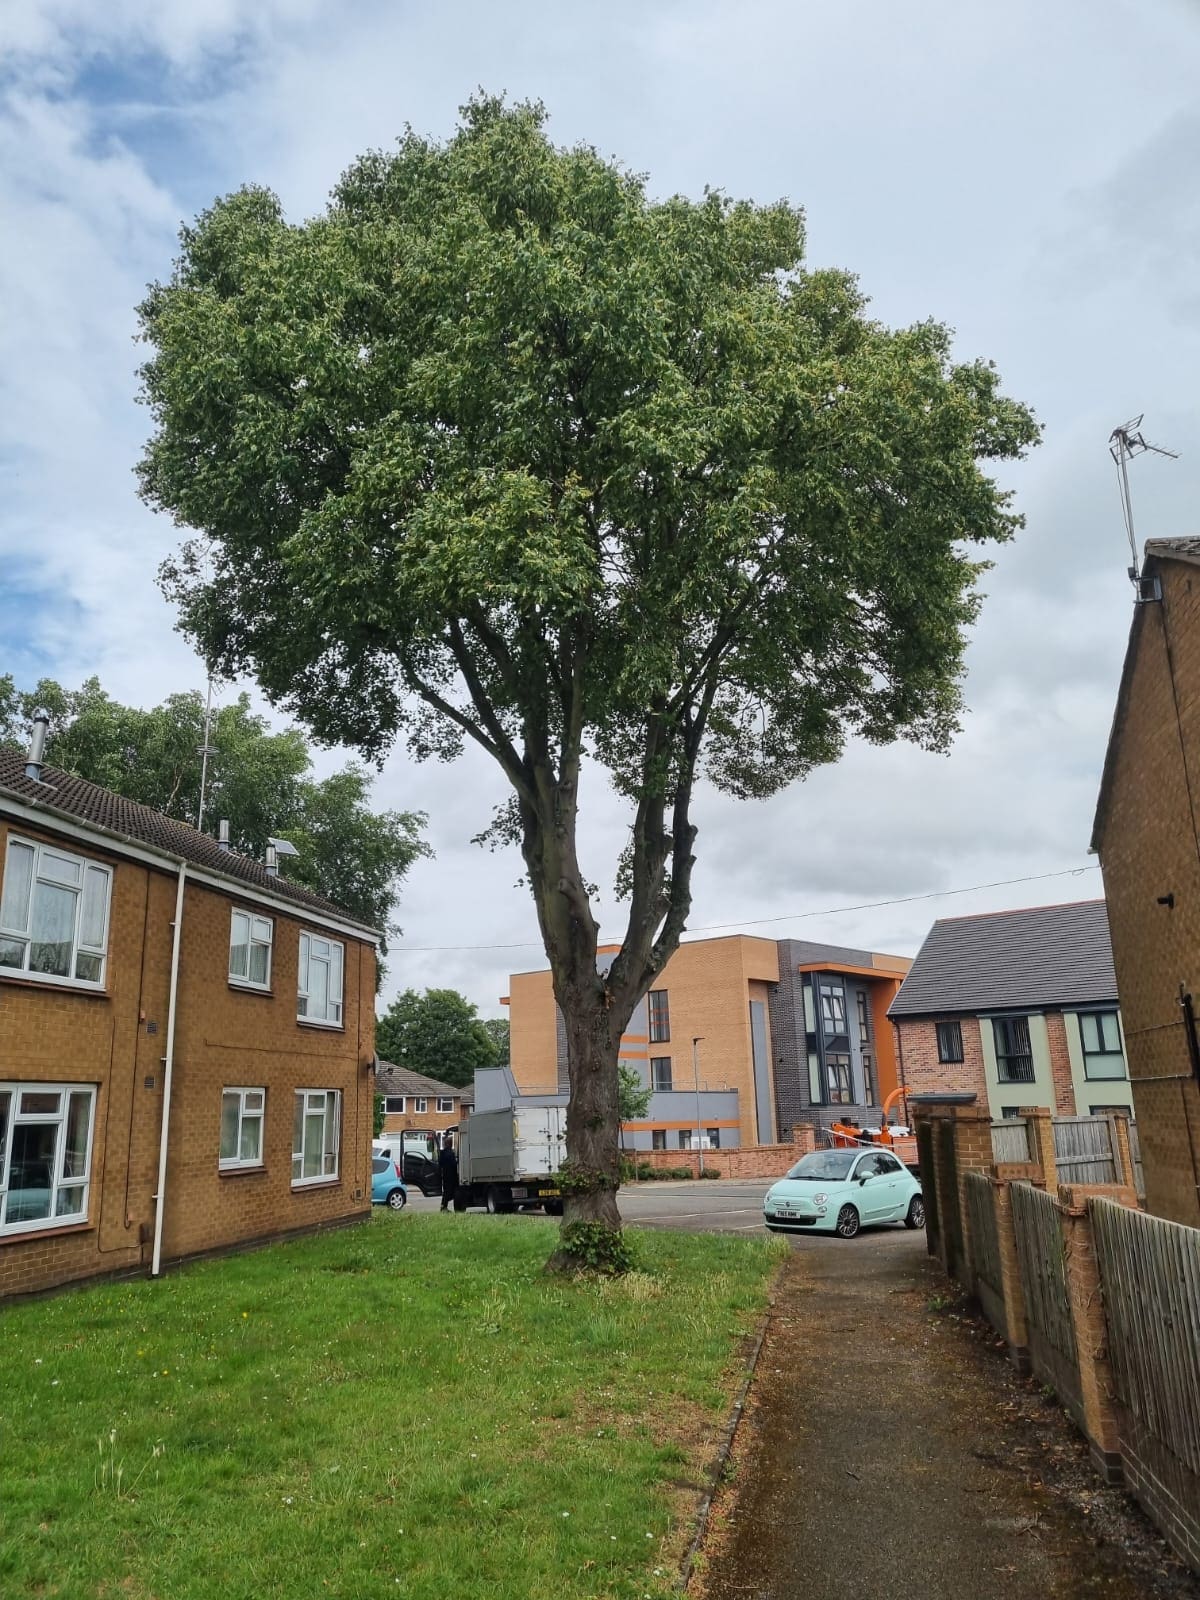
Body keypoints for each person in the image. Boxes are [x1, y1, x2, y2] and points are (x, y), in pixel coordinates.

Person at [438, 1133, 459, 1212]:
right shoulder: (451, 1153)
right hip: (451, 1176)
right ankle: (444, 1207)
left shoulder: (442, 1153)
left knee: (446, 1192)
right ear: (450, 1144)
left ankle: (443, 1206)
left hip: (445, 1176)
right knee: (451, 1192)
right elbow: (454, 1164)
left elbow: (440, 1164)